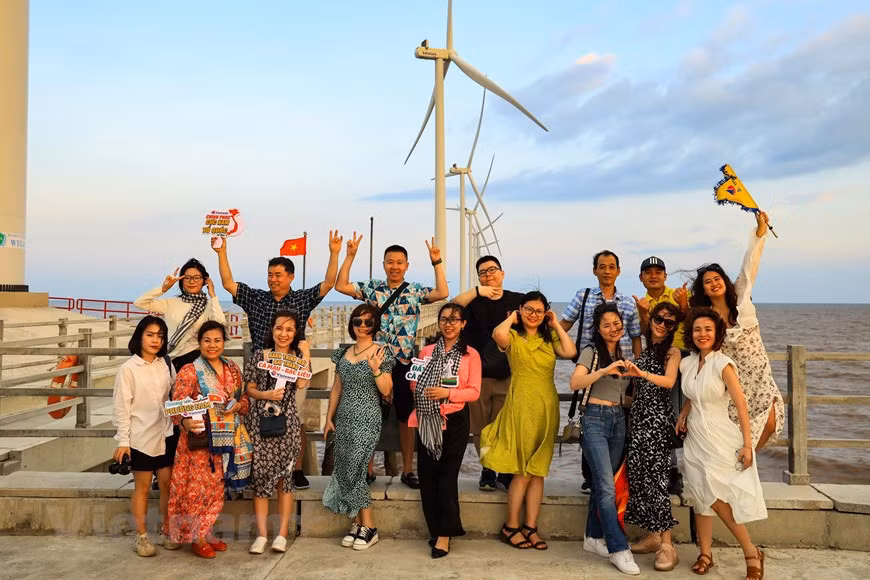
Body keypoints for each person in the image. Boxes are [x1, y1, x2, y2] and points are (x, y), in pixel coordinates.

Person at [213, 231, 343, 490]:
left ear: (291, 277)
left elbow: (329, 283)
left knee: (296, 419)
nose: (273, 279)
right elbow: (228, 283)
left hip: (295, 367)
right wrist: (221, 252)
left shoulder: (301, 299)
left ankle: (295, 469)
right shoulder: (257, 298)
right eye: (270, 274)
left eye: (278, 275)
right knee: (256, 417)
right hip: (263, 368)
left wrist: (334, 253)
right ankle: (257, 467)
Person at [334, 233, 449, 489]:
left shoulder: (415, 290)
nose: (394, 266)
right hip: (375, 361)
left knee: (406, 417)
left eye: (399, 262)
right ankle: (367, 470)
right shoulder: (373, 288)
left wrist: (436, 261)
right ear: (384, 264)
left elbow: (443, 292)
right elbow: (341, 286)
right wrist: (349, 256)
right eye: (390, 262)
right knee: (369, 415)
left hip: (404, 363)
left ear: (406, 265)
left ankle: (408, 470)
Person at [482, 291, 576, 551]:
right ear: (520, 310)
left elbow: (570, 351)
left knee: (538, 471)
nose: (534, 315)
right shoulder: (513, 336)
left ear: (545, 313)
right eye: (529, 309)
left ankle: (530, 527)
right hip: (521, 404)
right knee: (522, 471)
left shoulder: (549, 338)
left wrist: (555, 323)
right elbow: (497, 334)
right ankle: (511, 526)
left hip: (547, 405)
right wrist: (512, 318)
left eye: (539, 311)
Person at [677, 308, 767, 579]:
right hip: (694, 438)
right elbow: (693, 393)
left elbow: (741, 404)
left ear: (717, 333)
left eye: (708, 329)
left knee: (717, 497)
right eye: (697, 329)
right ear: (691, 334)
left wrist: (748, 445)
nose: (702, 334)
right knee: (701, 497)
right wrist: (683, 413)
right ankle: (705, 554)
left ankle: (751, 552)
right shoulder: (687, 363)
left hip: (720, 438)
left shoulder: (723, 363)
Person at [688, 211, 784, 450]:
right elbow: (701, 346)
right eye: (708, 282)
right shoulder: (706, 316)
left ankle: (748, 460)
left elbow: (751, 262)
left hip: (759, 374)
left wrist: (760, 231)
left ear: (724, 280)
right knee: (734, 433)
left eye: (717, 278)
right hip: (733, 380)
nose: (714, 283)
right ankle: (742, 464)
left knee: (770, 420)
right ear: (704, 290)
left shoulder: (741, 295)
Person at [560, 250, 642, 494]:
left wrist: (638, 368)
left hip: (621, 370)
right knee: (590, 418)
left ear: (618, 271)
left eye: (611, 266)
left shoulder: (627, 302)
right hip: (591, 365)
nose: (607, 271)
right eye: (602, 266)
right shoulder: (583, 296)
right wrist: (553, 346)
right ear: (595, 270)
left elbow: (635, 337)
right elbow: (564, 325)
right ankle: (592, 478)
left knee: (619, 419)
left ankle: (612, 480)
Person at [167, 321, 250, 558]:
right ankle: (197, 537)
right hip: (199, 440)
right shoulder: (190, 371)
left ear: (224, 342)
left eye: (217, 340)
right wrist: (184, 422)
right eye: (207, 340)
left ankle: (207, 530)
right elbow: (175, 407)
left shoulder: (232, 369)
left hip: (226, 440)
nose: (212, 345)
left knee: (216, 488)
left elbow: (245, 401)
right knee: (197, 489)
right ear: (199, 343)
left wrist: (238, 406)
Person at [569, 303, 638, 575]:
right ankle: (618, 548)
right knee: (607, 487)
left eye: (616, 323)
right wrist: (603, 371)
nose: (613, 329)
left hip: (618, 420)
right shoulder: (592, 351)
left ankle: (593, 536)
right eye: (607, 325)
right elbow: (575, 383)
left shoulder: (621, 353)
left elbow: (621, 396)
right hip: (594, 420)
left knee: (603, 484)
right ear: (598, 329)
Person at [408, 303, 481, 558]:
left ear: (463, 324)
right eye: (444, 319)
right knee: (427, 476)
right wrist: (424, 388)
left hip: (455, 419)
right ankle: (435, 528)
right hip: (427, 418)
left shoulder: (471, 355)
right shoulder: (426, 352)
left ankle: (445, 535)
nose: (449, 324)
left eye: (454, 319)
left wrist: (447, 392)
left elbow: (474, 391)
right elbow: (414, 383)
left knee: (447, 476)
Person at [323, 304, 395, 550]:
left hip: (368, 416)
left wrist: (376, 370)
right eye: (358, 321)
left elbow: (386, 390)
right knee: (346, 467)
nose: (362, 326)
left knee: (357, 467)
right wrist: (329, 418)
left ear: (375, 326)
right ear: (351, 324)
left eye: (368, 322)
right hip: (344, 417)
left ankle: (370, 527)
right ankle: (357, 524)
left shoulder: (381, 352)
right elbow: (336, 388)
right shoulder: (343, 353)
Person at [450, 255, 523, 492]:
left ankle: (504, 469)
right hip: (477, 376)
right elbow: (452, 308)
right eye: (483, 272)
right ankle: (488, 469)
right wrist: (476, 292)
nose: (488, 274)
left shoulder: (516, 300)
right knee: (481, 428)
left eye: (492, 270)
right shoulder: (473, 302)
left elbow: (538, 313)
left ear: (502, 273)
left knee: (504, 426)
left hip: (507, 374)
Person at [111, 315, 179, 557]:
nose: (155, 340)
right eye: (150, 335)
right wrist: (123, 441)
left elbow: (175, 394)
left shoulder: (166, 364)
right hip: (140, 437)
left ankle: (166, 530)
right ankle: (141, 537)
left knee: (167, 485)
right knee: (142, 488)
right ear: (139, 336)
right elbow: (122, 407)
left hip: (166, 433)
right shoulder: (128, 369)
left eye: (160, 336)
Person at [244, 309, 311, 554]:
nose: (284, 334)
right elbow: (249, 388)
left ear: (296, 333)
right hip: (260, 421)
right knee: (261, 477)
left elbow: (302, 383)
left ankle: (282, 533)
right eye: (279, 328)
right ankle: (262, 534)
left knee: (285, 478)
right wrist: (266, 394)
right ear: (271, 330)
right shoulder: (259, 356)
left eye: (289, 329)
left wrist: (307, 353)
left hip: (288, 423)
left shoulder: (298, 357)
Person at [622, 302, 682, 571]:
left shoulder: (672, 352)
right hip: (638, 421)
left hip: (657, 422)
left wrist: (641, 373)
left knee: (657, 481)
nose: (662, 325)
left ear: (674, 328)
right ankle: (653, 536)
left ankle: (668, 545)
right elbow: (636, 391)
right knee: (640, 478)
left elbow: (669, 381)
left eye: (669, 322)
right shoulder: (645, 350)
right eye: (659, 319)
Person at [633, 255, 689, 495]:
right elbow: (647, 334)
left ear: (665, 276)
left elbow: (692, 323)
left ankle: (679, 470)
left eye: (658, 272)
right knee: (663, 417)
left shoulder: (679, 294)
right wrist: (643, 314)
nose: (653, 276)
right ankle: (669, 470)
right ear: (641, 277)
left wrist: (684, 305)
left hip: (683, 357)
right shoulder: (641, 302)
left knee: (680, 416)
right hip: (658, 360)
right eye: (648, 272)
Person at [134, 258, 226, 371]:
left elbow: (221, 324)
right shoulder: (171, 303)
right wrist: (163, 289)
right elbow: (139, 303)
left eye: (197, 277)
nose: (191, 281)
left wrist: (212, 295)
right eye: (187, 278)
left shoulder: (209, 305)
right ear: (181, 280)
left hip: (198, 362)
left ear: (204, 281)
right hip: (171, 358)